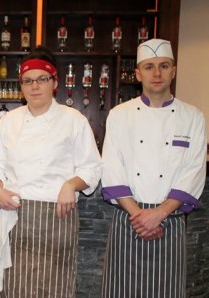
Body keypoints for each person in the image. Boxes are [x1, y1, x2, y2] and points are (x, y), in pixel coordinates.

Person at [0, 46, 102, 297]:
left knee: (55, 288)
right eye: (27, 81)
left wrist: (71, 185)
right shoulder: (8, 122)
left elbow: (91, 167)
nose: (34, 86)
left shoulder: (74, 120)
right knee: (16, 287)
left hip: (57, 217)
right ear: (21, 85)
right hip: (17, 216)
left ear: (54, 82)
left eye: (42, 79)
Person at [100, 38, 206, 297]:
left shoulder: (193, 116)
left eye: (164, 65)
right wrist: (140, 216)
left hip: (169, 218)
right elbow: (112, 168)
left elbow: (193, 171)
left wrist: (159, 213)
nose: (157, 73)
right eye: (149, 67)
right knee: (120, 290)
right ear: (138, 73)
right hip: (129, 217)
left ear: (174, 70)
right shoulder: (119, 114)